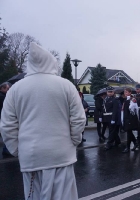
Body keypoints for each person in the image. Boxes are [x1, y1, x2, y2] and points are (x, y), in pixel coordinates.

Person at [0, 43, 86, 200]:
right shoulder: (66, 85)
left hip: (31, 156)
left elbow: (7, 125)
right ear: (52, 62)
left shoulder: (15, 89)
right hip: (61, 155)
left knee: (34, 196)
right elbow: (79, 119)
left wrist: (18, 150)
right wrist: (74, 141)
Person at [101, 86, 122, 150]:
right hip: (106, 117)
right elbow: (103, 109)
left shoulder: (115, 100)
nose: (109, 93)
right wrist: (101, 116)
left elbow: (115, 110)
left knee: (111, 131)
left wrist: (113, 119)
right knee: (113, 131)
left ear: (113, 92)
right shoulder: (105, 99)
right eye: (108, 92)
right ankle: (118, 141)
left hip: (112, 117)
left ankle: (109, 144)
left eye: (111, 92)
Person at [122, 88, 139, 153]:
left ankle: (128, 147)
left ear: (130, 92)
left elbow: (132, 109)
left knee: (129, 132)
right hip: (126, 118)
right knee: (129, 132)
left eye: (126, 92)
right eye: (124, 92)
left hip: (131, 118)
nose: (125, 93)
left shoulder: (132, 99)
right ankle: (135, 143)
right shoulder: (126, 100)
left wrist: (129, 101)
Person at [0, 82, 11, 156]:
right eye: (7, 88)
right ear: (2, 88)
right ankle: (6, 150)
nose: (8, 90)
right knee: (7, 134)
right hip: (2, 118)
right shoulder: (3, 97)